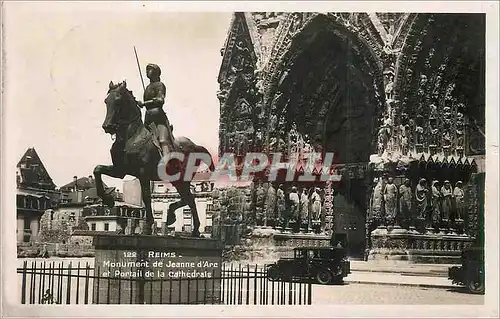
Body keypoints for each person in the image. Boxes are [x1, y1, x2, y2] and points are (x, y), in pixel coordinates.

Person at [137, 63, 175, 156]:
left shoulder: (159, 85)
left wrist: (144, 103)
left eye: (149, 70)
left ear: (155, 72)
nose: (147, 72)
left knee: (163, 141)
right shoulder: (147, 88)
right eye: (146, 70)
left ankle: (167, 163)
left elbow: (160, 99)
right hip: (148, 117)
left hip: (158, 117)